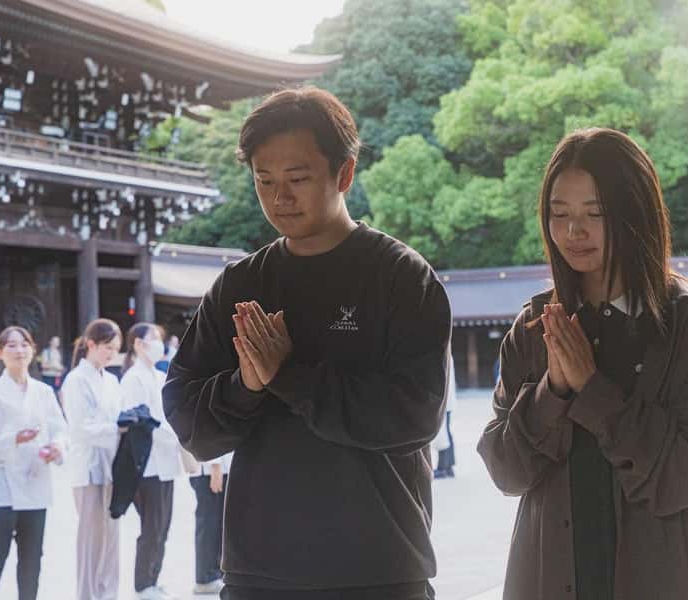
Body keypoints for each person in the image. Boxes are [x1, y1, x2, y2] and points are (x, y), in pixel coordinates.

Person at [163, 87, 452, 600]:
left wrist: (288, 375)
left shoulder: (400, 276)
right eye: (264, 181)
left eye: (297, 179)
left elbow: (415, 416)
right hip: (260, 571)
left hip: (379, 568)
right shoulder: (240, 285)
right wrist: (246, 385)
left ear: (345, 173)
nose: (280, 198)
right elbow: (191, 425)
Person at [477, 128, 688, 600]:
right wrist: (553, 392)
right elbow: (506, 470)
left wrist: (594, 389)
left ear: (635, 213)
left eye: (595, 214)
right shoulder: (536, 326)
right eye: (560, 214)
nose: (573, 232)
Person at [0, 326, 66, 600]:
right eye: (11, 345)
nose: (19, 350)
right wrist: (13, 439)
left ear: (32, 350)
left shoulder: (43, 392)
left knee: (32, 559)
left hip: (35, 483)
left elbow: (60, 428)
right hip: (3, 486)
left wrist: (56, 447)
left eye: (24, 344)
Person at [62, 318, 125, 600]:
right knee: (91, 539)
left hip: (112, 464)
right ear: (90, 344)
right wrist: (117, 427)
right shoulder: (76, 380)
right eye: (107, 347)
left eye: (115, 349)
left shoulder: (111, 380)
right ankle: (87, 595)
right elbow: (80, 428)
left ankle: (108, 594)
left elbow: (118, 418)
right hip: (88, 467)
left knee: (112, 535)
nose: (112, 354)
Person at [120, 323, 183, 600]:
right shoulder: (133, 379)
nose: (160, 344)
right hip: (148, 464)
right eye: (154, 339)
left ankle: (154, 579)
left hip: (166, 461)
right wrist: (175, 436)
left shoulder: (159, 376)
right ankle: (143, 584)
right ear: (138, 344)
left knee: (163, 525)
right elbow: (142, 421)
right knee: (152, 526)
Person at [188, 452, 233, 595]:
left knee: (219, 524)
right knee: (209, 524)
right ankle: (205, 579)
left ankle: (216, 574)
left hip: (221, 468)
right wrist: (215, 466)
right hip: (210, 471)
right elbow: (209, 439)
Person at [434, 355, 457, 479]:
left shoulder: (443, 354)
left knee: (443, 434)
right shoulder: (447, 354)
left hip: (443, 399)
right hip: (447, 399)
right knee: (446, 431)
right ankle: (448, 466)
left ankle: (442, 467)